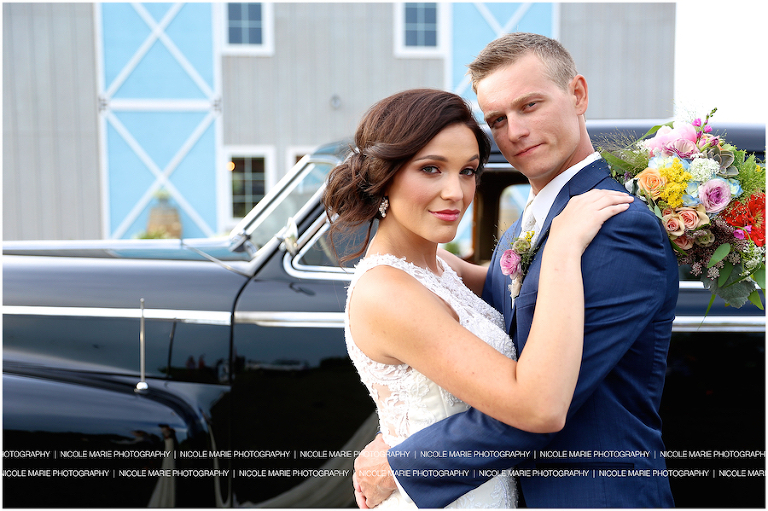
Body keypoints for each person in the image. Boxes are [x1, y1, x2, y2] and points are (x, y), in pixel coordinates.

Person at [353, 34, 679, 508]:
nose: (517, 131)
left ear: (578, 95)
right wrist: (403, 251)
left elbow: (540, 404)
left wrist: (403, 464)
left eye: (531, 105)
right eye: (499, 119)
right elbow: (496, 294)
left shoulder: (614, 228)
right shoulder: (531, 226)